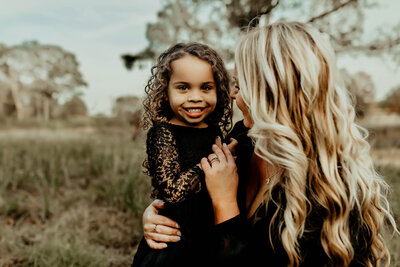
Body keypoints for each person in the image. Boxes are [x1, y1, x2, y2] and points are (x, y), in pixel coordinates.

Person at [140, 22, 399, 266]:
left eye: (241, 86)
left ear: (271, 94)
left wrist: (225, 203)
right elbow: (189, 199)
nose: (232, 95)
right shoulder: (244, 139)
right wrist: (159, 216)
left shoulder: (326, 194)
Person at [131, 42, 233, 267]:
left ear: (219, 90)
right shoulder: (163, 133)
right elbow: (174, 192)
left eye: (206, 87)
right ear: (166, 92)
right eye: (183, 87)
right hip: (175, 241)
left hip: (211, 235)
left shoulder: (215, 131)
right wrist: (214, 161)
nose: (195, 97)